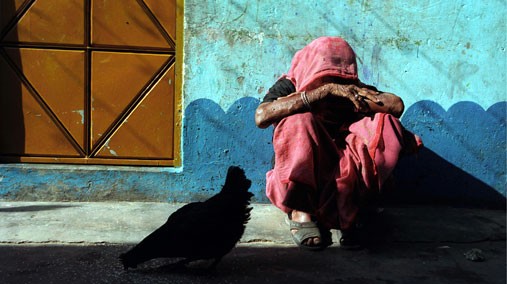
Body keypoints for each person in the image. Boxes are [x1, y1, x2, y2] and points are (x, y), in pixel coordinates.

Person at [255, 36, 422, 250]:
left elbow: (396, 106)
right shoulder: (290, 83)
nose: (334, 83)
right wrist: (321, 92)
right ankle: (300, 210)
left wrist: (350, 98)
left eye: (339, 78)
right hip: (302, 172)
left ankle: (353, 212)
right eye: (325, 77)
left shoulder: (352, 90)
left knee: (384, 122)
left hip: (342, 174)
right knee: (298, 120)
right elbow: (261, 117)